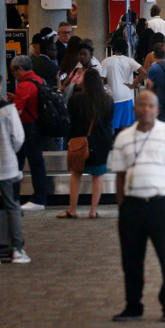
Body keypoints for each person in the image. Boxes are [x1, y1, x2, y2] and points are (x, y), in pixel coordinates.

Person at [110, 91, 165, 322]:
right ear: (135, 109)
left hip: (162, 204)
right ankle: (133, 305)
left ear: (157, 109)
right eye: (142, 105)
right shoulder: (123, 137)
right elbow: (120, 175)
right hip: (132, 206)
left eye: (151, 105)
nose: (146, 109)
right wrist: (122, 207)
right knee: (131, 259)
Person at [56, 70, 114, 220]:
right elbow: (109, 122)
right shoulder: (107, 100)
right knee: (98, 176)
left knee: (76, 174)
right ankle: (93, 211)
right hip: (101, 142)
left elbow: (71, 120)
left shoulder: (76, 99)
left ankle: (72, 209)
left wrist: (71, 138)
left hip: (80, 141)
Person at [0, 69, 29, 265]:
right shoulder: (9, 110)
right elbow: (19, 138)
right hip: (7, 165)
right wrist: (9, 151)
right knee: (12, 207)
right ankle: (17, 250)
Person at [7, 55, 47, 211]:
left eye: (13, 71)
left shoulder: (24, 85)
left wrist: (6, 106)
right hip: (38, 126)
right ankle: (37, 197)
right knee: (35, 162)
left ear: (20, 69)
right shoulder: (38, 80)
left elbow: (17, 112)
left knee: (21, 163)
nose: (13, 74)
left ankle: (28, 198)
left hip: (26, 128)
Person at [101, 39, 147, 133]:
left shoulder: (107, 61)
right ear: (126, 49)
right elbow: (143, 72)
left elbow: (101, 79)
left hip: (113, 98)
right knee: (125, 128)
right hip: (127, 97)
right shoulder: (129, 61)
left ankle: (112, 146)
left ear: (113, 48)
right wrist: (134, 84)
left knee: (111, 127)